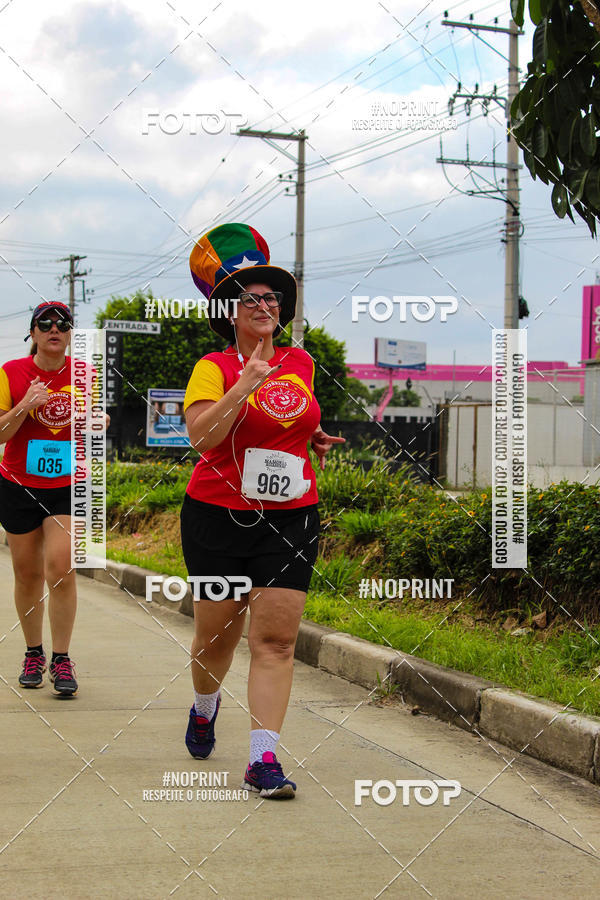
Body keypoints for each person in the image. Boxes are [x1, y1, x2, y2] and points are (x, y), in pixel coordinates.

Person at [182, 223, 344, 798]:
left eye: (272, 297)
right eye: (250, 297)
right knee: (217, 640)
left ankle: (262, 760)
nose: (264, 304)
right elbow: (201, 439)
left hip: (292, 515)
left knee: (274, 642)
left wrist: (314, 436)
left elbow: (290, 421)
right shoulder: (214, 367)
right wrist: (243, 384)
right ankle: (205, 704)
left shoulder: (301, 361)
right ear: (232, 311)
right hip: (218, 515)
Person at [0, 302, 80, 695]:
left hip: (66, 486)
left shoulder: (85, 374)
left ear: (69, 333)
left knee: (61, 567)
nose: (54, 329)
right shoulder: (11, 372)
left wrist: (99, 423)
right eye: (44, 323)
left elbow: (95, 426)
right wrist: (24, 406)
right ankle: (34, 652)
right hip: (18, 484)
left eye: (62, 324)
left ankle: (62, 660)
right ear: (32, 333)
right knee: (27, 574)